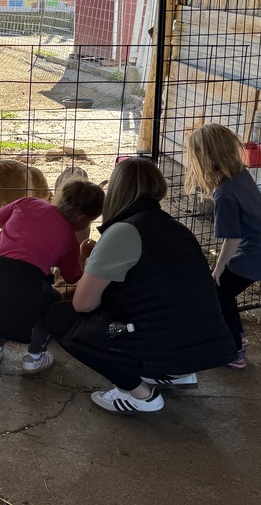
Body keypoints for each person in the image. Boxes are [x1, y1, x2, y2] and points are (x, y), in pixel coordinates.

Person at [44, 157, 236, 414]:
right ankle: (170, 373)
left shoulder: (123, 232)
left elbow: (83, 303)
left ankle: (138, 394)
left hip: (164, 342)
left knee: (61, 319)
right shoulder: (174, 227)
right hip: (202, 345)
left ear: (117, 190)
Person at [0, 178, 105, 374]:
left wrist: (22, 234)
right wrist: (82, 255)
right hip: (25, 278)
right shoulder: (69, 239)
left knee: (2, 300)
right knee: (51, 301)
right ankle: (34, 357)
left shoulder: (28, 202)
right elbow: (72, 277)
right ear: (82, 219)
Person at [184, 124, 261, 369]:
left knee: (218, 292)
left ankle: (233, 351)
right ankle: (236, 340)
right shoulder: (240, 174)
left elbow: (233, 238)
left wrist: (219, 267)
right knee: (223, 294)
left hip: (256, 253)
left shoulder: (225, 193)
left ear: (204, 159)